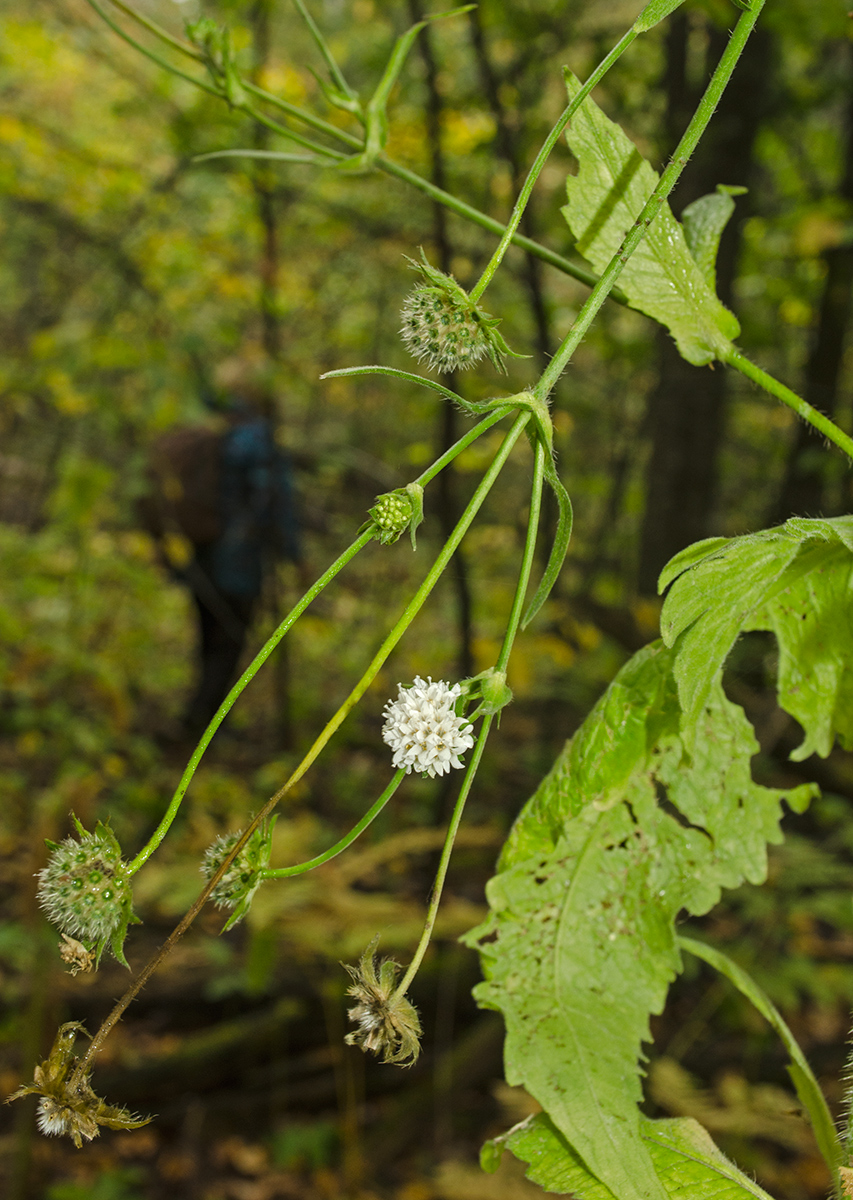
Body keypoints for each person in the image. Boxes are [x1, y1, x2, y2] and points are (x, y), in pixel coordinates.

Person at [140, 365, 302, 738]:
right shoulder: (257, 436)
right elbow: (274, 501)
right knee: (228, 642)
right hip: (238, 561)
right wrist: (293, 553)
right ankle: (201, 722)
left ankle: (203, 716)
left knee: (208, 635)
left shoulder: (205, 426)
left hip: (200, 555)